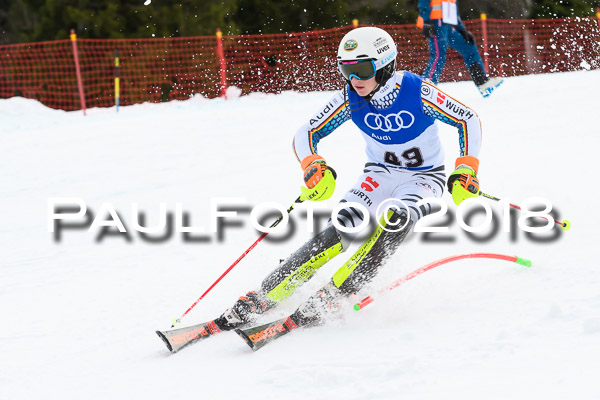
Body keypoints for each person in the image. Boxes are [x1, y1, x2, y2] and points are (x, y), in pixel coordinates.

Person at [213, 26, 483, 331]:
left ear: (385, 65)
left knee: (396, 221)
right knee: (340, 227)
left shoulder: (417, 91)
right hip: (379, 175)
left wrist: (467, 168)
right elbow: (307, 132)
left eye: (363, 69)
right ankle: (266, 295)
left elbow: (466, 118)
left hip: (423, 179)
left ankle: (336, 294)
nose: (354, 79)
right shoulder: (349, 97)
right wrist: (313, 165)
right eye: (346, 69)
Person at [417, 0, 503, 97]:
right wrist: (426, 21)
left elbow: (453, 10)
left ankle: (483, 83)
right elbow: (424, 2)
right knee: (438, 55)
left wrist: (462, 30)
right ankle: (425, 89)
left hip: (448, 24)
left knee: (469, 48)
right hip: (436, 23)